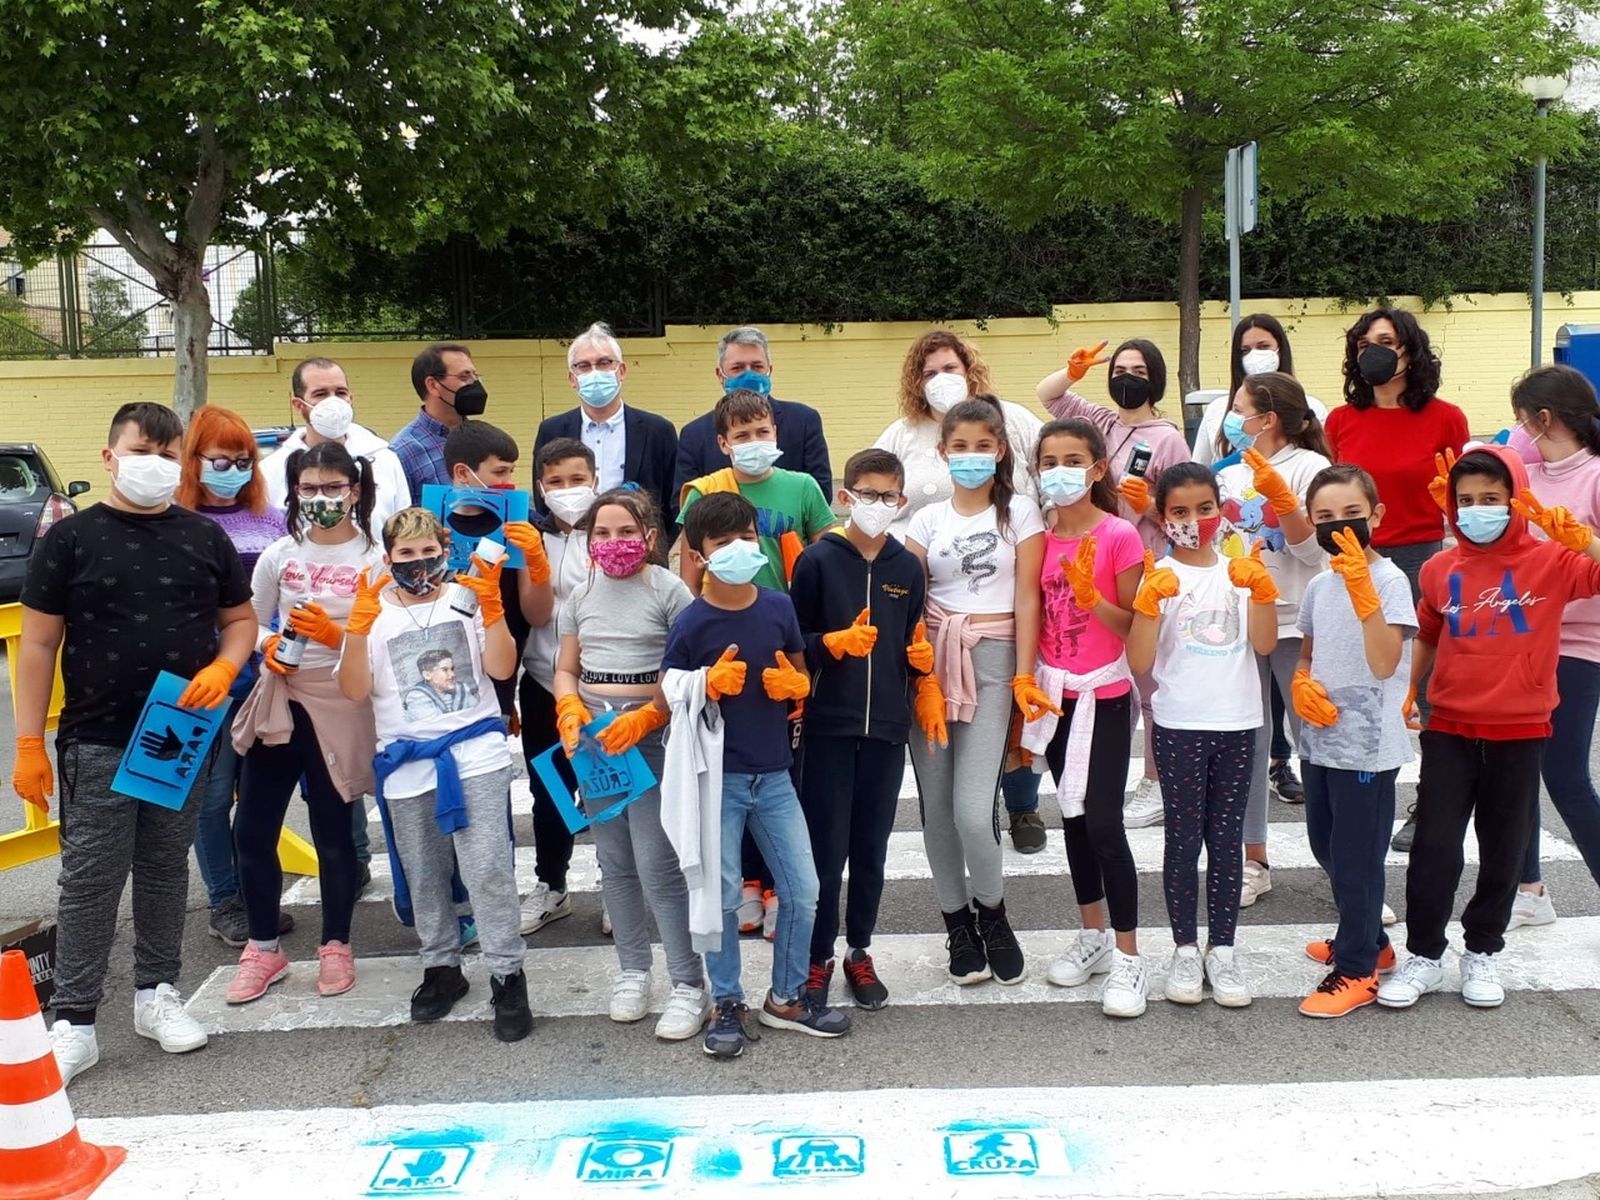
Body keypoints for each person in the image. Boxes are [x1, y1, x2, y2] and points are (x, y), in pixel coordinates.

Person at [14, 402, 255, 1085]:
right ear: (109, 456)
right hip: (98, 736)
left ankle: (157, 994)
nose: (154, 463)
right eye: (140, 449)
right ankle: (76, 1020)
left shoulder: (203, 538)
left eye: (166, 453)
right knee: (90, 878)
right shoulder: (70, 539)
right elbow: (37, 642)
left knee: (161, 865)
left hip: (178, 733)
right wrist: (28, 741)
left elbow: (239, 620)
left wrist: (223, 665)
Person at [1379, 447, 1600, 1012]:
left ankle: (1482, 950)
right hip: (1449, 724)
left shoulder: (1553, 560)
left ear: (1516, 499)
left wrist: (1582, 541)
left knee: (1503, 847)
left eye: (1492, 500)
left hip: (1522, 728)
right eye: (1467, 500)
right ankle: (1425, 954)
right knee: (1434, 844)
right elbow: (1428, 631)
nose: (1478, 510)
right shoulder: (1438, 568)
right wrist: (1412, 686)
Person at [661, 492, 850, 1058]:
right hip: (717, 780)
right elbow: (668, 685)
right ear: (697, 554)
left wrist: (797, 689)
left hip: (774, 777)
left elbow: (797, 670)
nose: (739, 549)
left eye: (746, 537)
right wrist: (702, 686)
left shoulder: (778, 606)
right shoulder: (692, 620)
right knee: (720, 896)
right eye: (723, 543)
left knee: (804, 889)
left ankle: (786, 998)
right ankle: (726, 1001)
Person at [337, 509, 532, 1042]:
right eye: (406, 554)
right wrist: (354, 630)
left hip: (475, 751)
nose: (419, 563)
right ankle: (442, 968)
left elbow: (499, 668)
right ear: (387, 557)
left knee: (488, 866)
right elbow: (354, 691)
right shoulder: (372, 612)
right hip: (406, 761)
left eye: (429, 552)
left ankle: (506, 974)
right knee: (423, 872)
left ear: (444, 552)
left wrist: (493, 611)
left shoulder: (466, 598)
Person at [873, 330, 1047, 854]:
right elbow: (875, 495)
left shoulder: (1012, 418)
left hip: (1003, 585)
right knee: (948, 771)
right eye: (929, 372)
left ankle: (1021, 807)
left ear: (969, 370)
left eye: (950, 368)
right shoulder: (902, 434)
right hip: (935, 603)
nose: (940, 380)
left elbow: (1053, 463)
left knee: (1005, 718)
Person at [225, 441, 384, 1004]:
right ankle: (263, 948)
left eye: (334, 488)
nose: (321, 499)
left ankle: (336, 945)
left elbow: (390, 635)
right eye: (309, 488)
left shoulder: (376, 557)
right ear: (293, 492)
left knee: (335, 831)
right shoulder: (280, 555)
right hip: (281, 694)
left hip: (342, 701)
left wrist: (339, 638)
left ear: (355, 491)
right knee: (252, 828)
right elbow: (248, 616)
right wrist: (268, 644)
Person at [551, 488, 710, 1041]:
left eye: (625, 531)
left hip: (650, 742)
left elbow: (685, 674)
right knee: (614, 860)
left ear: (649, 536)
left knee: (656, 863)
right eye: (601, 532)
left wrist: (647, 718)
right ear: (588, 539)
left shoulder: (671, 592)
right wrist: (568, 705)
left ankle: (690, 983)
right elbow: (566, 667)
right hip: (595, 743)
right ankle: (633, 971)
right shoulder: (578, 595)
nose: (613, 542)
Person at [904, 397, 1049, 987]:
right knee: (936, 811)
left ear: (1001, 450)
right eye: (958, 447)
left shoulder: (1021, 514)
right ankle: (956, 925)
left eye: (981, 446)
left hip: (993, 662)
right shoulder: (926, 520)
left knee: (972, 808)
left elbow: (1029, 597)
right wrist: (916, 668)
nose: (970, 457)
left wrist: (1025, 672)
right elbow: (905, 594)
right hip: (932, 666)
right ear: (942, 453)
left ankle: (993, 913)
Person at [1125, 462, 1277, 1009]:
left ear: (1221, 509)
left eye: (1205, 509)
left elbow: (1262, 646)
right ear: (1163, 519)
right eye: (1180, 513)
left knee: (1227, 840)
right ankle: (1185, 948)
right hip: (1180, 723)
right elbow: (1139, 661)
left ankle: (1224, 948)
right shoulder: (1159, 576)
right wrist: (1146, 605)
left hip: (1238, 722)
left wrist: (1260, 591)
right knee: (1183, 839)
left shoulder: (1240, 569)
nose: (1195, 521)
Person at [1323, 308, 1467, 853]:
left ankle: (1428, 805)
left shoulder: (1445, 417)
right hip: (1354, 558)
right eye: (1363, 342)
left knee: (1422, 687)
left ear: (1410, 349)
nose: (1373, 350)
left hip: (1419, 560)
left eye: (1384, 340)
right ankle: (1357, 792)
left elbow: (1458, 497)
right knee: (1358, 675)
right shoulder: (1342, 420)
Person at [789, 448, 928, 1011]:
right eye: (865, 494)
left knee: (871, 849)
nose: (876, 505)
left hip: (887, 730)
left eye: (887, 496)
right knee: (826, 851)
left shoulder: (906, 567)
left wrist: (921, 666)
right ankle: (818, 955)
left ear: (902, 501)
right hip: (827, 726)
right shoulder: (818, 561)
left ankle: (859, 950)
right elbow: (793, 641)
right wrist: (831, 645)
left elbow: (912, 637)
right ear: (845, 497)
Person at [1035, 340, 1193, 830]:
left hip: (1139, 560)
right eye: (1121, 369)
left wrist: (1147, 503)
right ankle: (1107, 776)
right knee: (1105, 681)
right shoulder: (1100, 422)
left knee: (1145, 681)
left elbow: (1186, 513)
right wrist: (1072, 369)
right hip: (1086, 556)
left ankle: (1155, 779)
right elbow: (1049, 397)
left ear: (1156, 378)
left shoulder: (1167, 437)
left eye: (1139, 370)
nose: (1127, 377)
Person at [1020, 419, 1147, 1018]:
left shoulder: (1120, 535)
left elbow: (1134, 628)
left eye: (1074, 459)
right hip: (1055, 692)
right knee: (1071, 818)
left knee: (1102, 823)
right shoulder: (1039, 535)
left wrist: (1096, 600)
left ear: (1097, 468)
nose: (1060, 470)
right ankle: (1092, 933)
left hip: (1107, 692)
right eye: (1049, 460)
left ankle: (1129, 956)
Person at [1294, 465, 1416, 1018]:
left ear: (1377, 516)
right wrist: (1300, 681)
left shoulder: (1389, 581)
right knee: (1325, 843)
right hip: (1320, 740)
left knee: (1357, 857)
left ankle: (1358, 966)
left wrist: (1366, 595)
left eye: (1351, 514)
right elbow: (1306, 652)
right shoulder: (1319, 585)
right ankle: (1368, 938)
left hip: (1368, 746)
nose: (1338, 526)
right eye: (1324, 517)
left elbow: (1386, 661)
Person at [173, 406, 292, 948]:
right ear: (194, 460)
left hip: (267, 677)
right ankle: (226, 901)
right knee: (213, 798)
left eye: (244, 459)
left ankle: (256, 890)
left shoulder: (271, 520)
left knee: (261, 797)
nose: (234, 469)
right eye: (221, 458)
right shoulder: (174, 520)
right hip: (206, 682)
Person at [1214, 373, 1330, 909]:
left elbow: (1314, 556)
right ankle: (1252, 859)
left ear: (1270, 418)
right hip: (1242, 620)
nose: (1232, 419)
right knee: (1248, 745)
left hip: (1299, 621)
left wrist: (1286, 504)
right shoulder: (1230, 472)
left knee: (1319, 743)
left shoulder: (1311, 468)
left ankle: (1343, 864)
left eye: (1240, 408)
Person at [1506, 366, 1600, 928]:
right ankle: (1528, 891)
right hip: (1518, 637)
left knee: (1564, 775)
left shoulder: (1594, 476)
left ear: (1545, 419)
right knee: (1513, 771)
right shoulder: (1527, 476)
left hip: (1579, 644)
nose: (1517, 432)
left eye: (1522, 421)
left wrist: (1581, 540)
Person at [517, 438, 598, 935]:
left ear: (594, 478)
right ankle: (552, 885)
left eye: (577, 479)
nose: (568, 491)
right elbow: (536, 614)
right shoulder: (533, 540)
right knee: (549, 791)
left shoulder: (612, 532)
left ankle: (620, 884)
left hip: (606, 687)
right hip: (545, 683)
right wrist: (534, 562)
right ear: (540, 488)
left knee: (613, 790)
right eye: (556, 482)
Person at [677, 388, 837, 595]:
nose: (754, 442)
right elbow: (690, 582)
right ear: (724, 444)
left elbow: (829, 562)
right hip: (722, 614)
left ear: (775, 433)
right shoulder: (704, 492)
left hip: (789, 613)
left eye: (762, 432)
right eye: (742, 436)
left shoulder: (804, 487)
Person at [534, 322, 680, 534]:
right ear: (572, 378)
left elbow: (670, 501)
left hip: (639, 549)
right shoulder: (552, 430)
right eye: (583, 366)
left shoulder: (658, 430)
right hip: (572, 545)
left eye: (604, 363)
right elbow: (543, 497)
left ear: (621, 371)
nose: (594, 372)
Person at [674, 326, 832, 500]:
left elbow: (821, 493)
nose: (749, 375)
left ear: (769, 370)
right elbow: (683, 503)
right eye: (738, 368)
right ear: (720, 375)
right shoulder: (694, 434)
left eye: (757, 366)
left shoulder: (804, 421)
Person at [260, 356, 410, 537]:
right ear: (299, 405)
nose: (333, 402)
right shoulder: (271, 470)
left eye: (340, 393)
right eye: (321, 394)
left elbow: (403, 529)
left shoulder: (384, 458)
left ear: (350, 398)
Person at [1190, 313, 1328, 469]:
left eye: (1263, 347)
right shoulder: (1217, 410)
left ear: (1280, 350)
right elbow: (1198, 471)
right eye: (1245, 350)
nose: (1254, 356)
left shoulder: (1311, 407)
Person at [391, 343, 489, 503]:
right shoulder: (402, 452)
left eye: (476, 376)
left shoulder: (484, 439)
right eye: (464, 377)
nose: (475, 383)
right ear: (433, 385)